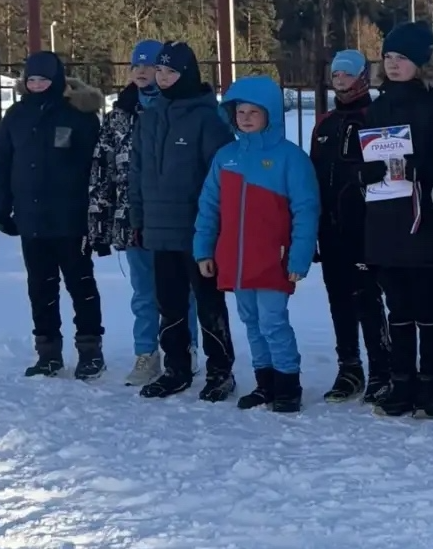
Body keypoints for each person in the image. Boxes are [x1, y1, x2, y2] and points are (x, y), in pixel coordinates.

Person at [360, 21, 433, 419]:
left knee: (426, 307)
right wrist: (367, 172)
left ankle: (429, 385)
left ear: (423, 62)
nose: (393, 64)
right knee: (397, 308)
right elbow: (364, 161)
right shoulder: (377, 107)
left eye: (402, 58)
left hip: (426, 222)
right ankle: (401, 381)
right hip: (385, 222)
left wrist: (420, 169)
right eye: (388, 57)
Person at [193, 76, 320, 413]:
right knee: (251, 322)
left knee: (273, 322)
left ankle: (287, 384)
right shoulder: (226, 157)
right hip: (236, 258)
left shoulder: (290, 158)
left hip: (273, 259)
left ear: (270, 114)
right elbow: (209, 206)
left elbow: (306, 209)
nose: (246, 118)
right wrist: (203, 249)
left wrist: (300, 256)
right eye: (240, 112)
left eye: (254, 112)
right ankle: (265, 384)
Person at [88, 39, 200, 387]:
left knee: (182, 290)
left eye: (150, 65)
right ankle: (146, 353)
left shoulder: (178, 110)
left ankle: (186, 349)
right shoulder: (119, 115)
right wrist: (99, 222)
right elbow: (102, 170)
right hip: (132, 220)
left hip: (176, 219)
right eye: (135, 65)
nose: (141, 71)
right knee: (143, 292)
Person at [130, 41, 237, 401]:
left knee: (208, 304)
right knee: (169, 304)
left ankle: (220, 371)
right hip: (159, 229)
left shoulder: (208, 118)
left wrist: (215, 226)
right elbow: (137, 173)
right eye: (159, 70)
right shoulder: (149, 117)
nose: (162, 77)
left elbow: (221, 177)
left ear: (187, 74)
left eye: (170, 71)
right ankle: (176, 368)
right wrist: (138, 218)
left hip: (197, 230)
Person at [0, 51, 105, 379]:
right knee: (40, 287)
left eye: (43, 79)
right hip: (32, 219)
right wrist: (0, 208)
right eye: (32, 79)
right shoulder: (16, 115)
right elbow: (2, 163)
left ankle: (90, 350)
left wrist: (95, 215)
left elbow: (96, 168)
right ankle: (48, 352)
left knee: (81, 285)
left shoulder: (79, 114)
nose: (37, 84)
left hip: (71, 219)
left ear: (56, 80)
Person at [310, 49, 391, 404]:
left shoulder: (375, 117)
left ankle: (382, 368)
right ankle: (349, 367)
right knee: (338, 299)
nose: (340, 80)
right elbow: (314, 177)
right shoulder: (324, 124)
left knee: (367, 298)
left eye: (347, 74)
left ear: (362, 77)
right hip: (330, 228)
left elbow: (391, 169)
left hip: (365, 228)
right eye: (335, 74)